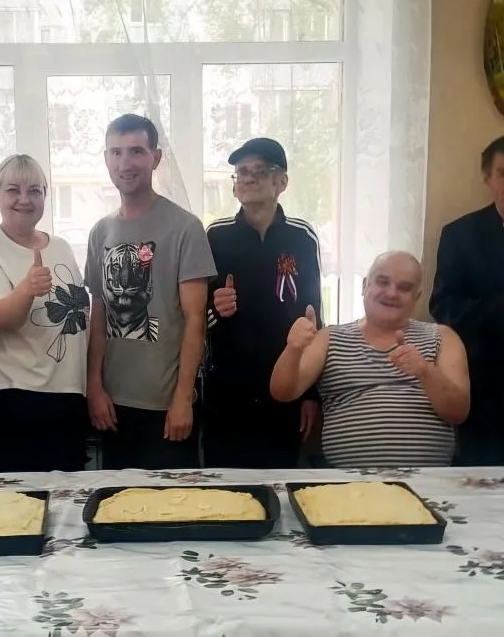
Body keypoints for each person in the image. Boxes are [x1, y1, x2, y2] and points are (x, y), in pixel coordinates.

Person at [85, 114, 216, 470]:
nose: (125, 163)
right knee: (116, 500)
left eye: (136, 151)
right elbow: (99, 315)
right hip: (112, 405)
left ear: (155, 158)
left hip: (166, 406)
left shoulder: (185, 228)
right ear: (106, 158)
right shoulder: (101, 232)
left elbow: (195, 320)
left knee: (172, 502)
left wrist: (183, 398)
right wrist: (94, 387)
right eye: (116, 152)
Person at [271, 251, 470, 468]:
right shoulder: (329, 338)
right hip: (349, 482)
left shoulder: (443, 337)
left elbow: (458, 412)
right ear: (365, 285)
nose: (391, 293)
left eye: (404, 287)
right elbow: (283, 392)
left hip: (428, 481)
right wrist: (294, 348)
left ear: (417, 296)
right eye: (382, 282)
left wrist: (426, 372)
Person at [0, 154, 90, 473]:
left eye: (34, 190)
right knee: (13, 498)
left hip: (66, 397)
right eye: (13, 190)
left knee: (66, 497)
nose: (24, 199)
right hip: (10, 397)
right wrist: (26, 289)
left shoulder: (61, 246)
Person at [204, 137, 322, 468]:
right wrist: (216, 307)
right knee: (224, 487)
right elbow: (196, 314)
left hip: (285, 386)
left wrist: (311, 393)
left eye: (259, 170)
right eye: (242, 172)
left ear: (281, 181)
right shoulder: (215, 236)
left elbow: (314, 318)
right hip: (228, 389)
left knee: (280, 482)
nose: (248, 178)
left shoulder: (302, 237)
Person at [430, 135, 504, 465]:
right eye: (503, 173)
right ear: (488, 178)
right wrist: (498, 309)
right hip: (487, 389)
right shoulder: (460, 235)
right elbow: (443, 307)